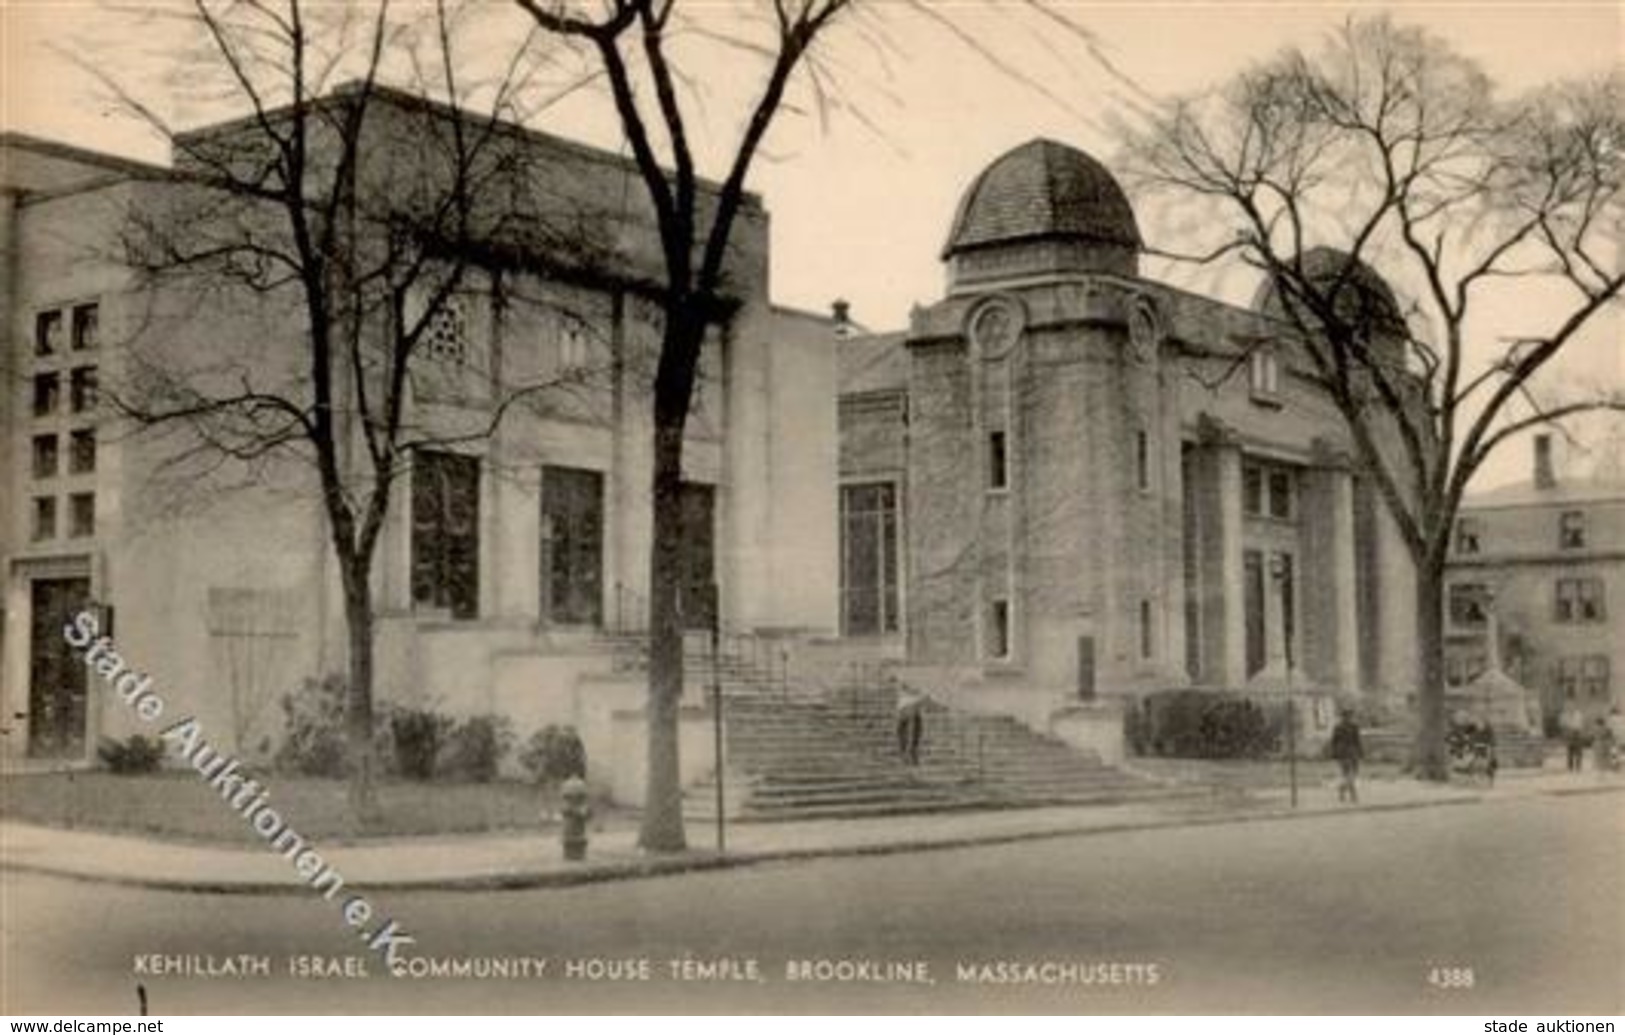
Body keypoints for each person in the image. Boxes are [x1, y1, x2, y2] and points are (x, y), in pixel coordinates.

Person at [1329, 708, 1363, 804]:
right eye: (1346, 716)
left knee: (1352, 773)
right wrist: (1334, 753)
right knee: (1347, 773)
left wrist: (1360, 752)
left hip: (1352, 752)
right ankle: (1352, 794)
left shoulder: (1354, 727)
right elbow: (1334, 741)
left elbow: (1357, 740)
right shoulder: (1338, 727)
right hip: (1344, 753)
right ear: (1343, 717)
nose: (1347, 718)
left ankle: (1342, 791)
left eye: (1349, 716)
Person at [895, 686, 926, 766]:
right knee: (904, 725)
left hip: (911, 701)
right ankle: (908, 751)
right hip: (906, 701)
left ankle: (909, 750)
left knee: (909, 723)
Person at [1560, 701, 1587, 772]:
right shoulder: (1564, 715)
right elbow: (1562, 724)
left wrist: (1581, 732)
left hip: (1577, 733)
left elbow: (1582, 724)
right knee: (1570, 752)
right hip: (1569, 733)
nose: (1570, 708)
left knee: (1579, 752)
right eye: (1569, 707)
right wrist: (1566, 731)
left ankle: (1578, 766)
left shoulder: (1579, 714)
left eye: (1572, 706)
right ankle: (1570, 767)